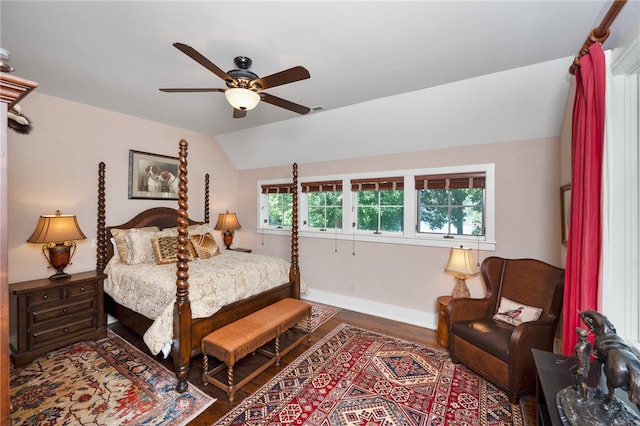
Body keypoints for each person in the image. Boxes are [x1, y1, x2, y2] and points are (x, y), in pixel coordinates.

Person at [571, 327, 591, 401]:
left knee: (582, 382)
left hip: (581, 366)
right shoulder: (588, 343)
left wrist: (581, 369)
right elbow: (588, 354)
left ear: (579, 337)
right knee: (571, 372)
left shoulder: (579, 347)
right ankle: (574, 387)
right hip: (586, 365)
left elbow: (580, 359)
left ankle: (584, 397)